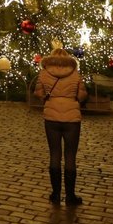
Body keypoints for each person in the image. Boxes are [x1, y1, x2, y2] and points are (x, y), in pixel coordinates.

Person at [34, 46, 89, 204]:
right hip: (72, 118)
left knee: (54, 154)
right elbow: (82, 94)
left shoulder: (44, 73)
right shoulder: (74, 73)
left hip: (51, 117)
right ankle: (70, 195)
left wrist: (47, 99)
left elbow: (38, 93)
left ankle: (56, 194)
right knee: (70, 156)